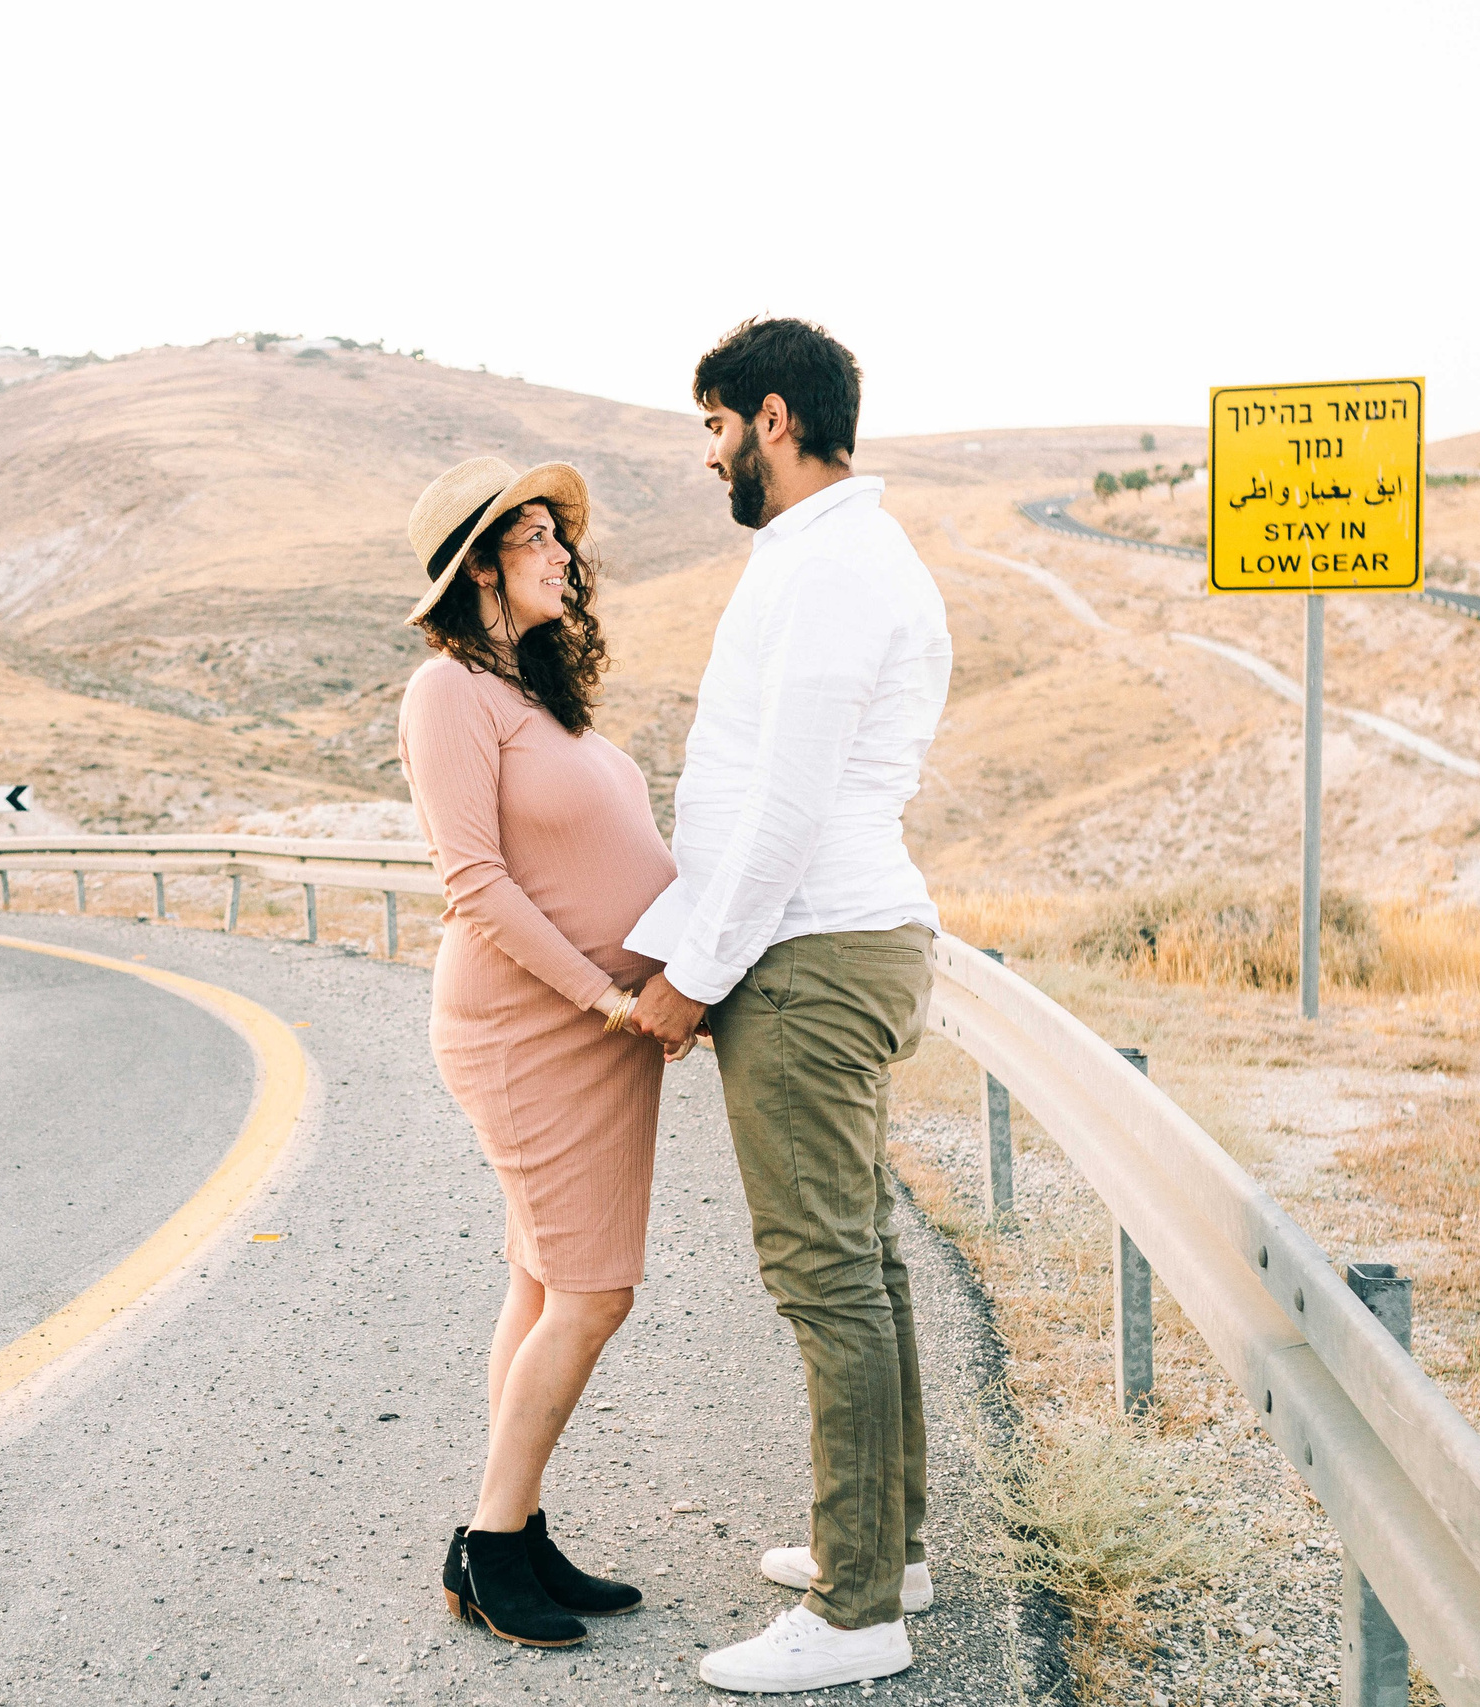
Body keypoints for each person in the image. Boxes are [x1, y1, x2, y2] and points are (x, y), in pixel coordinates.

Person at [621, 318, 954, 1694]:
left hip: (810, 952)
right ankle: (887, 1543)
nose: (709, 458)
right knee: (862, 1258)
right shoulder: (836, 557)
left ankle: (860, 1605)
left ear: (769, 417)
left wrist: (693, 972)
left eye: (712, 428)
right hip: (829, 938)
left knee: (826, 1272)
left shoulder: (832, 567)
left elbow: (786, 805)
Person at [395, 456, 681, 1650]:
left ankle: (509, 1530)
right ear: (476, 566)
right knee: (593, 1290)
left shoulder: (539, 701)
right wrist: (607, 1004)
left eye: (560, 534)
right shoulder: (448, 693)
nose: (564, 551)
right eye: (532, 535)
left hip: (599, 1032)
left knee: (541, 1282)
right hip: (532, 1031)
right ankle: (489, 1542)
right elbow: (475, 884)